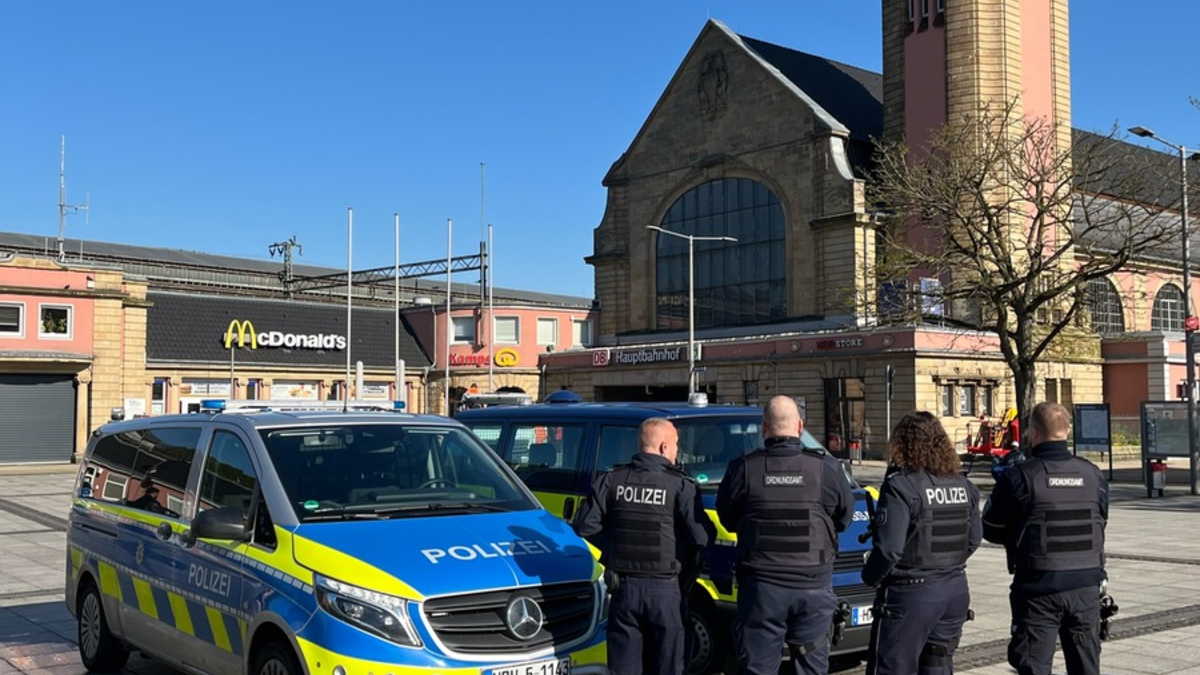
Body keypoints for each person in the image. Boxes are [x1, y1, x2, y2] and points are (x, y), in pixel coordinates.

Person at [716, 396, 854, 675]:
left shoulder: (742, 469)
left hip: (761, 590)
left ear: (763, 428)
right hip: (813, 588)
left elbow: (728, 519)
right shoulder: (826, 468)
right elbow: (844, 518)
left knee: (758, 669)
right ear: (800, 426)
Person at [574, 418, 715, 675]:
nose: (676, 451)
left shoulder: (611, 480)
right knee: (668, 667)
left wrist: (614, 548)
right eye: (675, 445)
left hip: (624, 589)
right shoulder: (680, 485)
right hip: (666, 591)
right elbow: (703, 538)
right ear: (663, 447)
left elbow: (585, 526)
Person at [983, 402, 1108, 675]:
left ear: (1033, 432)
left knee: (1034, 666)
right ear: (1068, 431)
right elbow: (1101, 521)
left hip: (1038, 588)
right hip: (1086, 587)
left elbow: (990, 528)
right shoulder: (1093, 474)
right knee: (1087, 667)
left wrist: (1020, 535)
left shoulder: (1019, 477)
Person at [861, 411, 982, 675]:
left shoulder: (901, 487)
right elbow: (973, 540)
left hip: (910, 594)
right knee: (938, 666)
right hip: (954, 590)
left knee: (892, 668)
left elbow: (889, 549)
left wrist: (870, 577)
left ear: (903, 445)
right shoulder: (964, 486)